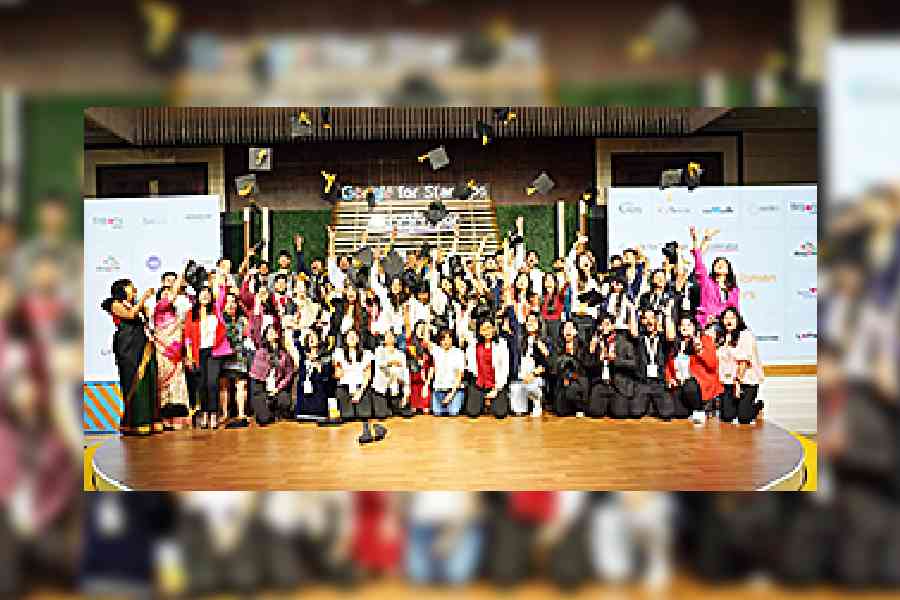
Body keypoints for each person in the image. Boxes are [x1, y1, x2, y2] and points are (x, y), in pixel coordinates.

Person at [101, 279, 159, 435]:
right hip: (127, 346)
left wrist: (145, 307)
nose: (133, 288)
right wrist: (143, 299)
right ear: (121, 289)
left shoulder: (137, 304)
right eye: (130, 286)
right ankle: (135, 422)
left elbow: (146, 319)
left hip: (142, 344)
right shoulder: (115, 304)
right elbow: (130, 314)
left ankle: (151, 419)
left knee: (148, 379)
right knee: (133, 380)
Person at [184, 285, 230, 429]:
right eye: (202, 293)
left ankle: (213, 414)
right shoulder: (191, 314)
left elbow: (222, 296)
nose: (205, 296)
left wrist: (221, 281)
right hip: (199, 353)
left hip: (215, 351)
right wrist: (190, 355)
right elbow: (188, 338)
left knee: (212, 383)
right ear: (197, 296)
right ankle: (204, 414)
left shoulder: (216, 310)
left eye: (207, 294)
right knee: (202, 385)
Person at [663, 314, 722, 421]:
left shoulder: (704, 340)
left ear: (695, 326)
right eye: (682, 325)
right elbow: (668, 365)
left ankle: (700, 409)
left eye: (689, 325)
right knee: (680, 414)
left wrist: (699, 350)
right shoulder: (675, 344)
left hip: (699, 386)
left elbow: (712, 365)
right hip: (680, 385)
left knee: (689, 384)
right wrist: (669, 379)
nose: (685, 328)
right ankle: (692, 408)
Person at [152, 283, 190, 430]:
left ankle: (178, 420)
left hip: (176, 356)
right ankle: (165, 419)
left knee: (178, 386)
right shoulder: (159, 309)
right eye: (164, 293)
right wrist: (179, 280)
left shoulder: (176, 315)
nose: (168, 296)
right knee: (164, 386)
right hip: (164, 355)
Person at [716, 307, 765, 424]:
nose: (729, 320)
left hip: (746, 381)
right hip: (728, 382)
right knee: (727, 417)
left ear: (738, 319)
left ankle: (758, 406)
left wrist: (738, 383)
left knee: (744, 418)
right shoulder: (721, 337)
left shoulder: (745, 335)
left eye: (732, 317)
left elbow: (743, 362)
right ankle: (738, 405)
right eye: (725, 318)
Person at [689, 226, 740, 328]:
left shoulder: (733, 290)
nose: (719, 264)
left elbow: (735, 310)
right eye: (717, 263)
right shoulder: (707, 282)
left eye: (723, 263)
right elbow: (698, 262)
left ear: (728, 270)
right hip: (708, 325)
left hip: (725, 327)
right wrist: (695, 240)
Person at [249, 324, 297, 425]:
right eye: (269, 332)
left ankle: (275, 407)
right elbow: (256, 375)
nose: (271, 334)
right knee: (264, 419)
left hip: (277, 386)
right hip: (261, 388)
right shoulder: (261, 352)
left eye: (273, 331)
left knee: (284, 403)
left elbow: (289, 373)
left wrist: (278, 388)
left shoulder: (284, 354)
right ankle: (266, 409)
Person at [633, 308, 676, 420]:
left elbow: (671, 336)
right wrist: (632, 310)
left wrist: (667, 315)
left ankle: (653, 404)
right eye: (645, 318)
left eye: (652, 318)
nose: (649, 321)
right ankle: (650, 404)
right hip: (643, 382)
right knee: (635, 412)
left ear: (657, 320)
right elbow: (633, 332)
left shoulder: (662, 339)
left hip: (659, 382)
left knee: (667, 414)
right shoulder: (640, 339)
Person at [465, 319, 510, 418]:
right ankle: (482, 401)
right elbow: (471, 367)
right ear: (479, 331)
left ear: (494, 329)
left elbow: (505, 368)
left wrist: (497, 389)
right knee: (472, 413)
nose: (487, 331)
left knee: (500, 413)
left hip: (495, 383)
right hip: (479, 383)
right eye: (484, 329)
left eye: (489, 328)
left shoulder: (502, 343)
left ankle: (492, 400)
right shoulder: (473, 344)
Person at [333, 328, 374, 420]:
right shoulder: (339, 352)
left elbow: (368, 375)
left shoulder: (366, 353)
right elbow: (338, 374)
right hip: (345, 388)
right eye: (349, 335)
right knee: (347, 416)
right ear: (345, 339)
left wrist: (360, 392)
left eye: (354, 335)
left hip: (361, 387)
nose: (352, 338)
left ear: (358, 339)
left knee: (365, 415)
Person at [516, 312, 551, 415]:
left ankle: (537, 401)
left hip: (537, 375)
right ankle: (525, 404)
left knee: (532, 385)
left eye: (533, 321)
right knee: (517, 409)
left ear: (539, 324)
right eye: (528, 321)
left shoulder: (544, 340)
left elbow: (548, 363)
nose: (530, 323)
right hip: (522, 374)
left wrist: (533, 374)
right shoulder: (521, 340)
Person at [294, 328, 333, 419]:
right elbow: (296, 342)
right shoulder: (303, 356)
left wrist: (319, 369)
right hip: (305, 390)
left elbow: (327, 377)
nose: (311, 338)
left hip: (319, 390)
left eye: (314, 336)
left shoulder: (325, 356)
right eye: (309, 337)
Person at [552, 320, 589, 416]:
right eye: (565, 328)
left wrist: (570, 376)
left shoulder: (582, 346)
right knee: (560, 411)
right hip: (563, 379)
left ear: (576, 332)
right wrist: (566, 376)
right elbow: (555, 366)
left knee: (573, 389)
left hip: (579, 379)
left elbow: (585, 366)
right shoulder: (558, 346)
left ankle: (580, 407)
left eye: (570, 328)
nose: (567, 330)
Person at [372, 329, 410, 418]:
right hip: (381, 389)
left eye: (392, 335)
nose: (389, 338)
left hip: (396, 388)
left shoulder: (401, 354)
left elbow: (405, 372)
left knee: (404, 413)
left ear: (395, 339)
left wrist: (406, 393)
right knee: (382, 415)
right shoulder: (379, 350)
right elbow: (381, 364)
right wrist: (392, 362)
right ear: (383, 339)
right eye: (387, 336)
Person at [430, 328, 466, 416]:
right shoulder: (436, 351)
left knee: (453, 412)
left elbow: (459, 376)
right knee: (437, 413)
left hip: (454, 390)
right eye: (443, 339)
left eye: (448, 338)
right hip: (439, 390)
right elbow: (425, 341)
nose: (446, 341)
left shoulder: (458, 353)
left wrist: (450, 395)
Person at [406, 320, 434, 415]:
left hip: (425, 382)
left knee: (426, 411)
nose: (421, 331)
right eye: (419, 328)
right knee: (413, 411)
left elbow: (431, 366)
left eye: (424, 329)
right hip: (413, 381)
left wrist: (427, 384)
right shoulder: (410, 343)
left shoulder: (430, 346)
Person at [541, 271, 566, 344]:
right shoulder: (542, 297)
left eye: (550, 280)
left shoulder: (560, 296)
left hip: (556, 324)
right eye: (546, 280)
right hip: (544, 325)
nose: (548, 282)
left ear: (555, 282)